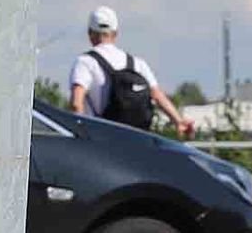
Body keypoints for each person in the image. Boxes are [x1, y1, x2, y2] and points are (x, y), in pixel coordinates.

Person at [67, 7, 189, 136]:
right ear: (115, 34)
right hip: (135, 141)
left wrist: (79, 134)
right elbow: (157, 95)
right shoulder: (137, 63)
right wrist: (178, 121)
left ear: (90, 33)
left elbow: (76, 104)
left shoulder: (85, 62)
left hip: (101, 140)